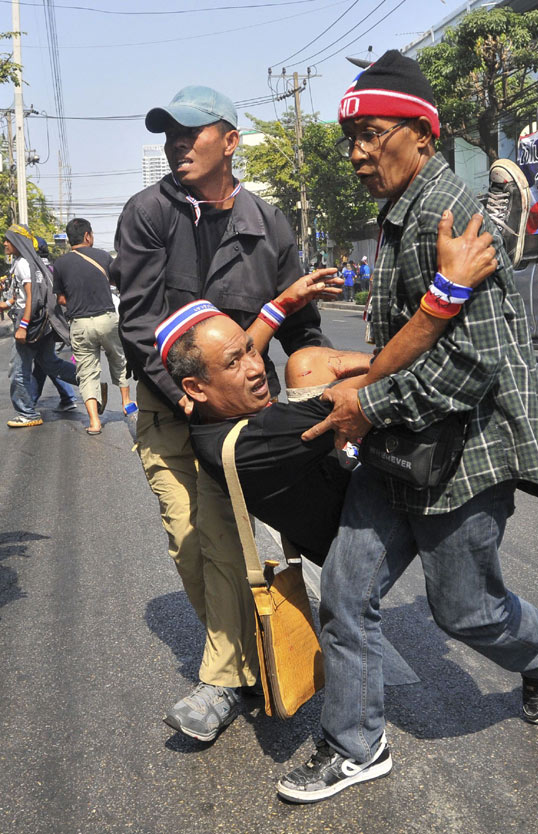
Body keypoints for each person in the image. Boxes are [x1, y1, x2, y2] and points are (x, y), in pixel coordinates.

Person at [276, 50, 538, 804]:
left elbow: (471, 365)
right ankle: (355, 744)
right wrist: (356, 378)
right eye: (352, 139)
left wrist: (364, 404)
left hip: (467, 453)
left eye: (372, 135)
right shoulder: (402, 213)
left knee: (464, 611)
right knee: (347, 593)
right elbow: (416, 337)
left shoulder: (452, 217)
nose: (356, 154)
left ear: (421, 133)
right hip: (402, 447)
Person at [111, 84, 339, 743]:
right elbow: (140, 323)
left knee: (224, 540)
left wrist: (320, 394)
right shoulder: (147, 214)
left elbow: (304, 328)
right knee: (188, 539)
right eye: (169, 134)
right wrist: (182, 391)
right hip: (168, 408)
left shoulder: (269, 223)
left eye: (191, 132)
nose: (176, 144)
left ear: (230, 142)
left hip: (240, 419)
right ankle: (239, 664)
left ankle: (225, 678)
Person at [156, 210, 496, 568]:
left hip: (334, 474)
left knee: (304, 364)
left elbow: (237, 350)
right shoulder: (256, 439)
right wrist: (447, 293)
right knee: (378, 389)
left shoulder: (204, 411)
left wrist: (283, 303)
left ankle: (407, 350)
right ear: (196, 387)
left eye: (250, 350)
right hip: (361, 521)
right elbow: (372, 383)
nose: (257, 368)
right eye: (234, 363)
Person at [52, 218, 133, 435]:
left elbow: (60, 299)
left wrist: (77, 301)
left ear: (69, 239)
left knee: (86, 372)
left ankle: (95, 422)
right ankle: (126, 402)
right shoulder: (103, 257)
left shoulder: (60, 264)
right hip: (106, 319)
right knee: (118, 359)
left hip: (80, 324)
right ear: (88, 236)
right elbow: (117, 282)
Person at [1, 225, 78, 428]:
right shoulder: (31, 262)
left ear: (18, 241)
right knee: (50, 363)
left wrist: (23, 326)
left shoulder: (22, 264)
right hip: (43, 325)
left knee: (18, 370)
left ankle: (27, 413)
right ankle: (89, 381)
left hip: (30, 325)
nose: (5, 243)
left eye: (8, 240)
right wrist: (7, 304)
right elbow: (25, 296)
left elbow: (32, 299)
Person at [30, 237, 78, 413]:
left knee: (46, 362)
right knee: (44, 362)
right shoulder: (51, 267)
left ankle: (86, 382)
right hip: (52, 322)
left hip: (41, 324)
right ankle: (65, 397)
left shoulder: (35, 269)